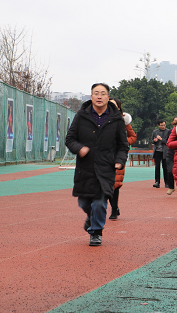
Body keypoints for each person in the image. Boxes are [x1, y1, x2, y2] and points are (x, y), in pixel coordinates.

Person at [65, 83, 129, 246]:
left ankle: (96, 232)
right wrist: (79, 149)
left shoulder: (116, 120)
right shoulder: (81, 116)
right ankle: (91, 219)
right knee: (84, 202)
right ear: (91, 97)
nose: (99, 96)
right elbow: (70, 139)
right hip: (85, 168)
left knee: (100, 202)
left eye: (103, 93)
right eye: (96, 93)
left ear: (108, 97)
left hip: (106, 167)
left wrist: (119, 161)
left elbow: (123, 145)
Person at [108, 98, 137, 220]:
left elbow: (133, 136)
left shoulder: (124, 121)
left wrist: (123, 144)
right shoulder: (100, 119)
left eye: (115, 105)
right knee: (104, 184)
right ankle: (113, 206)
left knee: (115, 183)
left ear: (119, 108)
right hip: (103, 155)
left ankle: (114, 209)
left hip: (118, 156)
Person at [151, 120, 170, 188]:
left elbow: (168, 142)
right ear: (159, 125)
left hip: (165, 152)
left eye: (164, 125)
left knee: (165, 167)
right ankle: (157, 182)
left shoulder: (168, 131)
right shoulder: (155, 132)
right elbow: (152, 141)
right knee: (157, 167)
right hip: (157, 151)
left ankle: (167, 182)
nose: (163, 126)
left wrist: (161, 139)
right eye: (162, 125)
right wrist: (154, 140)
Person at [165, 117, 177, 195]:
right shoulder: (170, 131)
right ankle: (171, 187)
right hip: (170, 155)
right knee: (170, 171)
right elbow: (167, 141)